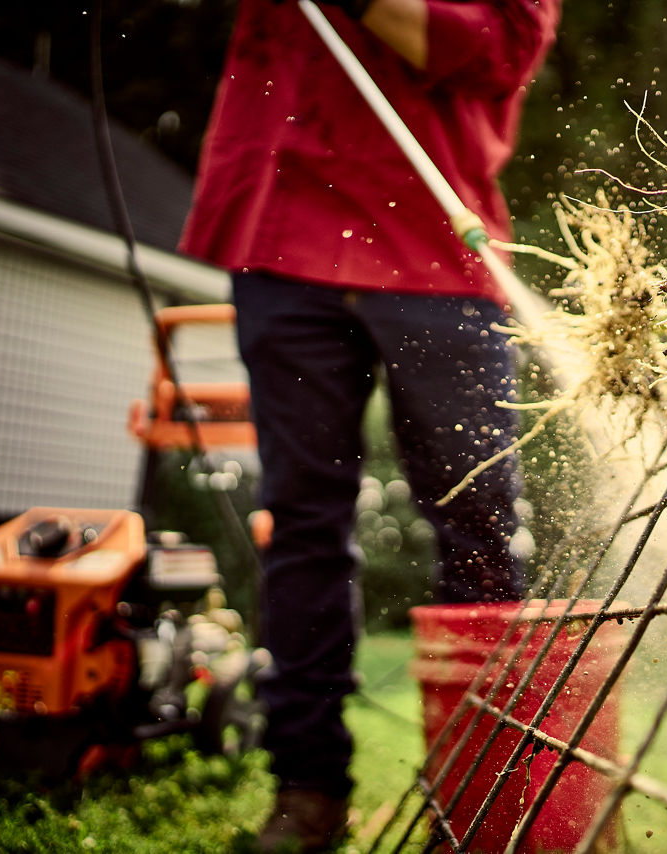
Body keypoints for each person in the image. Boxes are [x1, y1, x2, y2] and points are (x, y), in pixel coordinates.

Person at [178, 0, 560, 849]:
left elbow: (499, 48)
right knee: (304, 520)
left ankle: (482, 800)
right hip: (281, 228)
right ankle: (308, 791)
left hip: (439, 239)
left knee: (479, 523)